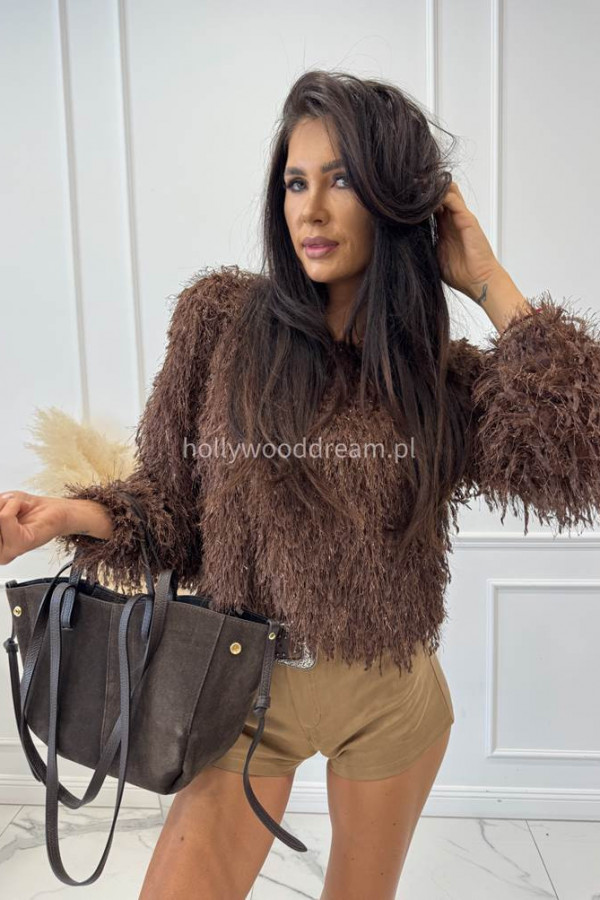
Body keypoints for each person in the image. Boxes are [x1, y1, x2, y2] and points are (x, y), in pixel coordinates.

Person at [2, 70, 600, 900]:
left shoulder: (438, 380)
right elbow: (171, 509)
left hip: (392, 697)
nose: (310, 210)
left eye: (342, 180)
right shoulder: (219, 323)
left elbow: (577, 456)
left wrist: (487, 276)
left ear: (394, 200)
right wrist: (65, 515)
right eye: (295, 182)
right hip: (241, 690)